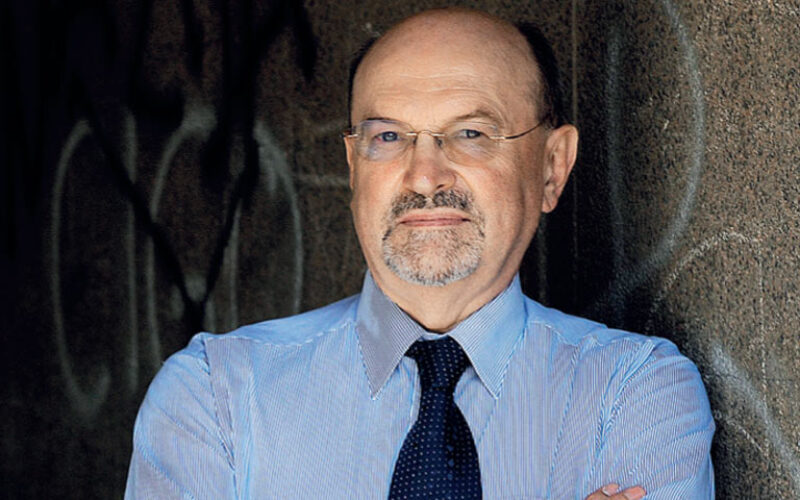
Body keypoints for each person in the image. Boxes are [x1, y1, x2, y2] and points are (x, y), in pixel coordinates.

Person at [125, 7, 714, 499]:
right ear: (354, 167)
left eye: (471, 133)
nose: (425, 176)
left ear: (552, 167)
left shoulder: (635, 393)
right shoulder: (214, 397)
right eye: (388, 137)